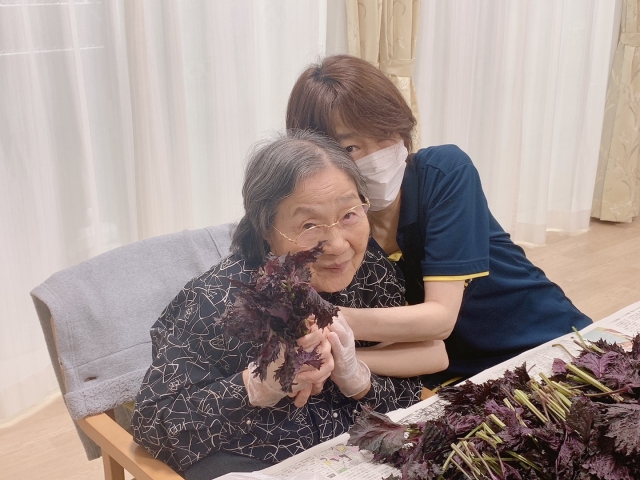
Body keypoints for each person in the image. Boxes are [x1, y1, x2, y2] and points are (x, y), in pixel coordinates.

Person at [132, 130, 448, 478]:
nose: (337, 245)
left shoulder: (372, 274)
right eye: (309, 224)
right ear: (266, 229)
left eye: (349, 214)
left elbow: (408, 396)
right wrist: (255, 386)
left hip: (361, 460)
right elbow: (153, 425)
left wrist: (359, 379)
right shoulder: (216, 300)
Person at [286, 54, 592, 388]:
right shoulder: (333, 233)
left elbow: (440, 319)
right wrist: (338, 357)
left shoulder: (444, 173)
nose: (377, 156)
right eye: (351, 147)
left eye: (386, 134)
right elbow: (426, 350)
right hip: (460, 377)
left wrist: (325, 320)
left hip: (546, 340)